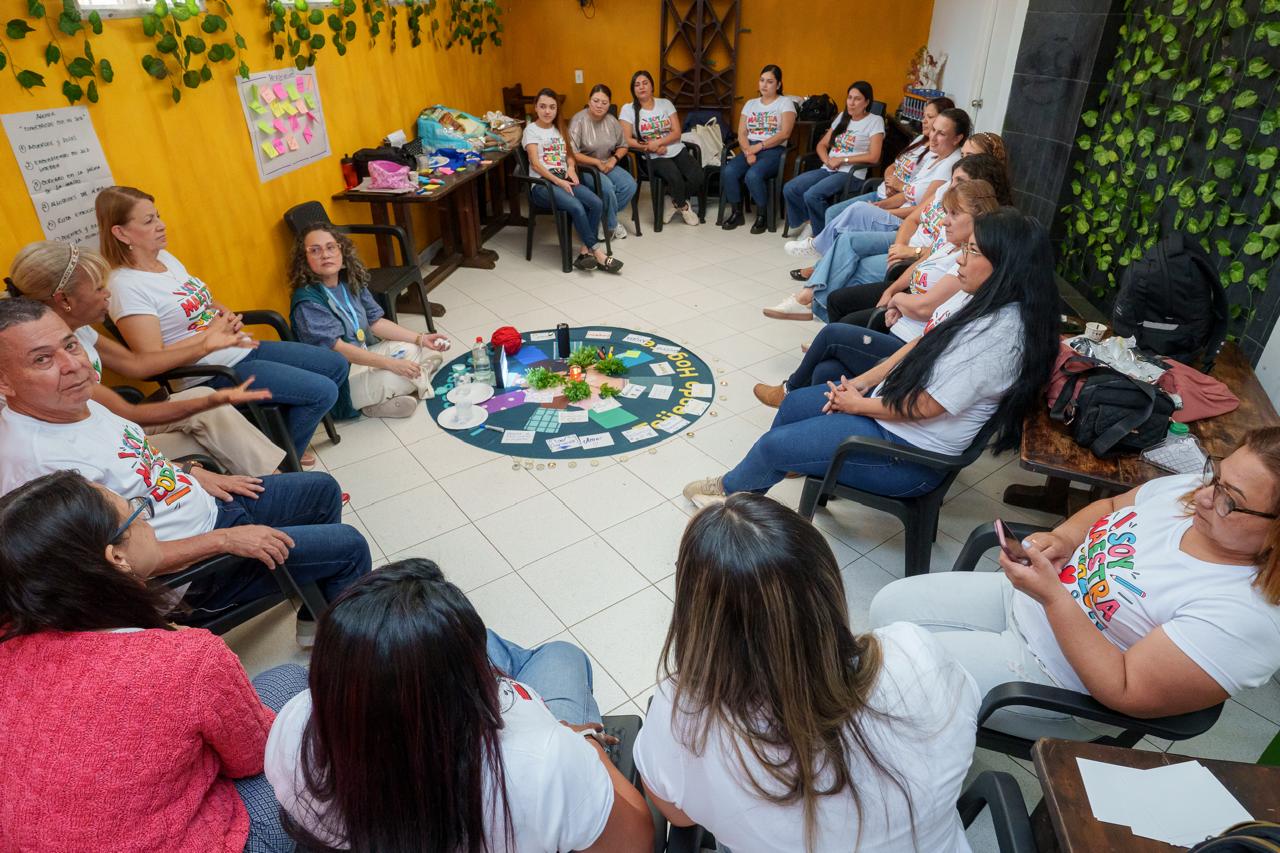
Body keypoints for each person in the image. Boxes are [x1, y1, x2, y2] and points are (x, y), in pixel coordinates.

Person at [0, 297, 371, 646]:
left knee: (320, 489)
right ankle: (351, 669)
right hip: (193, 578)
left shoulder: (74, 400)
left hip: (209, 512)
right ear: (4, 382)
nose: (74, 364)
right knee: (349, 548)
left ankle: (316, 615)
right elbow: (121, 566)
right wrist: (225, 541)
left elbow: (133, 459)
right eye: (42, 360)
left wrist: (193, 470)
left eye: (70, 345)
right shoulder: (38, 467)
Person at [871, 431, 1280, 742]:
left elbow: (1125, 688)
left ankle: (917, 752)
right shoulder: (1196, 496)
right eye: (1216, 476)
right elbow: (1113, 506)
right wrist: (1064, 539)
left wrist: (1053, 597)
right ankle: (931, 729)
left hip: (1049, 676)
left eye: (1229, 499)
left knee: (888, 679)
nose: (1205, 496)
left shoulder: (1246, 618)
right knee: (887, 607)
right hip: (1026, 603)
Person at [635, 493, 979, 851]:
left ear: (699, 618)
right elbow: (967, 721)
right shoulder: (913, 652)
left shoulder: (684, 718)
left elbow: (679, 817)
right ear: (827, 581)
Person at [0, 469, 310, 852]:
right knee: (294, 687)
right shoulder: (187, 659)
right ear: (116, 558)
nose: (146, 517)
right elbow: (253, 756)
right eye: (134, 512)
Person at [264, 558, 655, 852]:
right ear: (460, 691)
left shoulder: (294, 728)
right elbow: (636, 840)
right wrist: (585, 747)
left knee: (492, 644)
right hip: (542, 765)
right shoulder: (543, 762)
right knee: (562, 654)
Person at [684, 208, 1059, 509]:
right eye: (966, 247)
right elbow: (918, 346)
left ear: (1007, 264)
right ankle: (755, 487)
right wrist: (862, 384)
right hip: (892, 413)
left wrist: (860, 405)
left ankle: (732, 495)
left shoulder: (1002, 338)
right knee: (797, 404)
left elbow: (927, 406)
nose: (960, 259)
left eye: (972, 251)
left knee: (772, 446)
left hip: (909, 457)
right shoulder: (978, 295)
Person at [97, 185, 348, 465]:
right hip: (210, 372)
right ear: (120, 233)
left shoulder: (164, 259)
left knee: (335, 365)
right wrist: (210, 338)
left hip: (236, 347)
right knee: (323, 391)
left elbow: (201, 298)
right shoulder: (125, 286)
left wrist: (224, 314)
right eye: (148, 221)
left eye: (158, 216)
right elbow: (151, 359)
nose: (161, 225)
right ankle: (284, 459)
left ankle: (275, 440)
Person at [5, 240, 286, 475]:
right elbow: (130, 415)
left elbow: (136, 365)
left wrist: (205, 344)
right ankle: (278, 492)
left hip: (113, 424)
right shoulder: (59, 357)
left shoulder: (77, 330)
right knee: (206, 438)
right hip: (95, 447)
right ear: (64, 299)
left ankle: (280, 488)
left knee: (210, 414)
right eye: (99, 288)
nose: (108, 294)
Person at [752, 180, 1001, 409]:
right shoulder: (950, 242)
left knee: (832, 334)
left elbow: (925, 307)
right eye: (946, 212)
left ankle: (789, 391)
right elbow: (919, 268)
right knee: (827, 369)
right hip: (901, 323)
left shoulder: (969, 263)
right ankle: (807, 415)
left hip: (907, 345)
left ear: (978, 218)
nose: (945, 221)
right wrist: (894, 292)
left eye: (954, 214)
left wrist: (897, 300)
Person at [768, 145, 1004, 323]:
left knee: (855, 265)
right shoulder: (946, 189)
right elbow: (913, 218)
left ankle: (820, 311)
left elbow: (939, 252)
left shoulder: (973, 224)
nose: (952, 185)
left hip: (918, 253)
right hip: (906, 241)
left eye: (960, 181)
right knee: (848, 239)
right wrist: (900, 245)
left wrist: (911, 252)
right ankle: (810, 296)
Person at [289, 224, 450, 420]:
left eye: (331, 247)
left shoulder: (349, 280)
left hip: (366, 356)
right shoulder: (308, 302)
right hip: (340, 380)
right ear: (304, 260)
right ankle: (388, 395)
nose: (325, 254)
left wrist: (421, 338)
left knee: (428, 350)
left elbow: (375, 322)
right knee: (396, 374)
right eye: (315, 250)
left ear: (342, 250)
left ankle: (389, 396)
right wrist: (391, 364)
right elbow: (338, 349)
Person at [523, 88, 623, 274]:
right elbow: (536, 165)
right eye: (543, 106)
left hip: (563, 179)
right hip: (542, 185)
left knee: (596, 203)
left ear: (556, 109)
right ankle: (597, 253)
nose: (547, 111)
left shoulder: (558, 129)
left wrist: (569, 168)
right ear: (535, 107)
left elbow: (569, 155)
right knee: (577, 206)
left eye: (552, 107)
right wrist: (558, 181)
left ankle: (585, 252)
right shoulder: (531, 131)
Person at [782, 81, 885, 236]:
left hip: (851, 173)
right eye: (849, 98)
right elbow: (821, 145)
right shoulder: (842, 118)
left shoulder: (875, 121)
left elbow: (874, 156)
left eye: (857, 99)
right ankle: (811, 223)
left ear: (867, 102)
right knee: (791, 188)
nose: (851, 102)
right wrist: (827, 160)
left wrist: (842, 160)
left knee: (812, 195)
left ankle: (820, 235)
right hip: (829, 168)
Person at [720, 64, 797, 233]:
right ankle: (736, 212)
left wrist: (759, 147)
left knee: (753, 175)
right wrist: (748, 151)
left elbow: (785, 133)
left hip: (773, 150)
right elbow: (741, 133)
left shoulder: (785, 103)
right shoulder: (750, 104)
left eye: (770, 82)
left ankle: (763, 216)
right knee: (729, 171)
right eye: (762, 80)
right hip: (750, 147)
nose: (764, 85)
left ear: (778, 85)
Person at [620, 69, 702, 226]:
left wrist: (659, 143)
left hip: (675, 148)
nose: (641, 87)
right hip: (652, 156)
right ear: (633, 89)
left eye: (645, 83)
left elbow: (677, 133)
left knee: (697, 176)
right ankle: (684, 207)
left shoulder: (665, 104)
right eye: (637, 85)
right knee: (675, 176)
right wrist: (652, 148)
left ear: (652, 86)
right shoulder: (628, 109)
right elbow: (627, 140)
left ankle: (673, 202)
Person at [570, 83, 639, 242]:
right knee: (607, 189)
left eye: (604, 102)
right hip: (585, 167)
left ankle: (605, 219)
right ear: (589, 101)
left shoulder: (612, 121)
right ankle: (611, 225)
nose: (599, 105)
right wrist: (596, 162)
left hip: (607, 163)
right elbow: (572, 152)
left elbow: (623, 145)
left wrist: (614, 159)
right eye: (596, 101)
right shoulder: (578, 120)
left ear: (609, 104)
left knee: (630, 185)